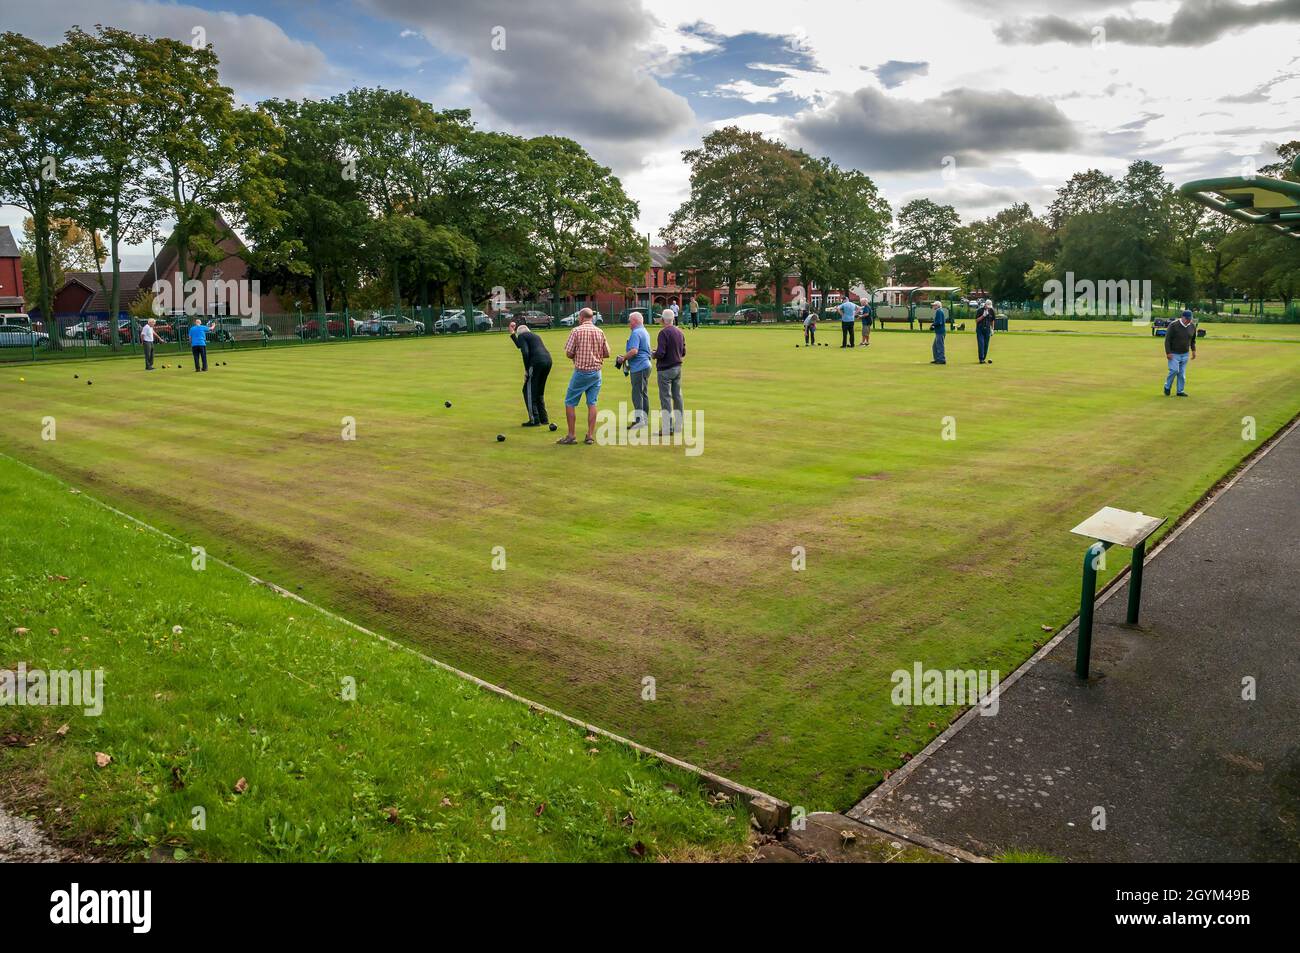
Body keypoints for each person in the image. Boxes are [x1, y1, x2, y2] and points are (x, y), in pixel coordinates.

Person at [559, 308, 610, 445]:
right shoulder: (600, 331)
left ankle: (571, 435)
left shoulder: (576, 331)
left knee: (570, 402)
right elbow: (607, 353)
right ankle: (589, 435)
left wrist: (578, 354)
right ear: (592, 318)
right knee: (592, 403)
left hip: (581, 371)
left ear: (581, 317)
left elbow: (569, 353)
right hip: (596, 372)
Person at [509, 320, 552, 426]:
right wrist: (512, 333)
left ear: (520, 334)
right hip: (548, 361)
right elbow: (520, 345)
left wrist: (527, 370)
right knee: (539, 390)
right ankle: (544, 418)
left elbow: (525, 352)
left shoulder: (522, 336)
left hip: (536, 362)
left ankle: (534, 420)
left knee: (527, 390)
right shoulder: (535, 336)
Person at [616, 311, 653, 429]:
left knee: (637, 394)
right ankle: (643, 420)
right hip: (645, 365)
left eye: (630, 320)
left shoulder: (636, 333)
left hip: (639, 366)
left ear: (635, 321)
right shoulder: (644, 331)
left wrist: (623, 358)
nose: (628, 323)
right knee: (643, 393)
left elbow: (634, 351)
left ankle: (639, 421)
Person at [652, 309, 686, 435]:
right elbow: (683, 352)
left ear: (663, 319)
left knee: (665, 398)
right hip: (677, 367)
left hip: (665, 369)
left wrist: (653, 354)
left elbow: (661, 353)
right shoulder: (679, 332)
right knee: (677, 396)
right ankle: (678, 426)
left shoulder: (663, 333)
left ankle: (667, 428)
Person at [1163, 310, 1197, 397]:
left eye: (1190, 319)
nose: (1188, 321)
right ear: (1182, 317)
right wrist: (1168, 352)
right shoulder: (1173, 325)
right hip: (1174, 353)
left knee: (1181, 374)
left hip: (1185, 353)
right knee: (1174, 370)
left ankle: (1180, 391)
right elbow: (1167, 340)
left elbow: (1192, 340)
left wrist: (1193, 350)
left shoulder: (1192, 326)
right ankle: (1167, 386)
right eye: (1187, 319)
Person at [974, 298, 996, 364]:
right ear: (985, 304)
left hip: (987, 330)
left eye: (990, 306)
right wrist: (983, 316)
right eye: (988, 306)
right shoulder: (980, 310)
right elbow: (976, 320)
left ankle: (983, 358)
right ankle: (981, 359)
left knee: (986, 345)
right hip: (980, 329)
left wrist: (992, 329)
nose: (989, 308)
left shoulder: (992, 311)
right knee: (981, 344)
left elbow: (992, 320)